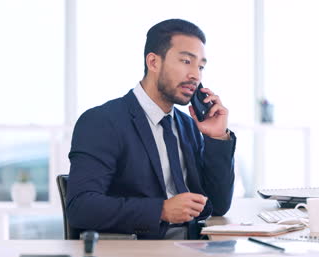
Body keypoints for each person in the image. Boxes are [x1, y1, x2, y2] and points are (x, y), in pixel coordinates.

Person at [66, 19, 236, 240]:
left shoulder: (188, 127)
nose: (196, 75)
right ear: (154, 62)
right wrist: (161, 210)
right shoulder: (102, 121)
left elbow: (218, 205)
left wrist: (217, 138)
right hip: (141, 251)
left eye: (201, 66)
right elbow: (81, 207)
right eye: (186, 61)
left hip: (193, 249)